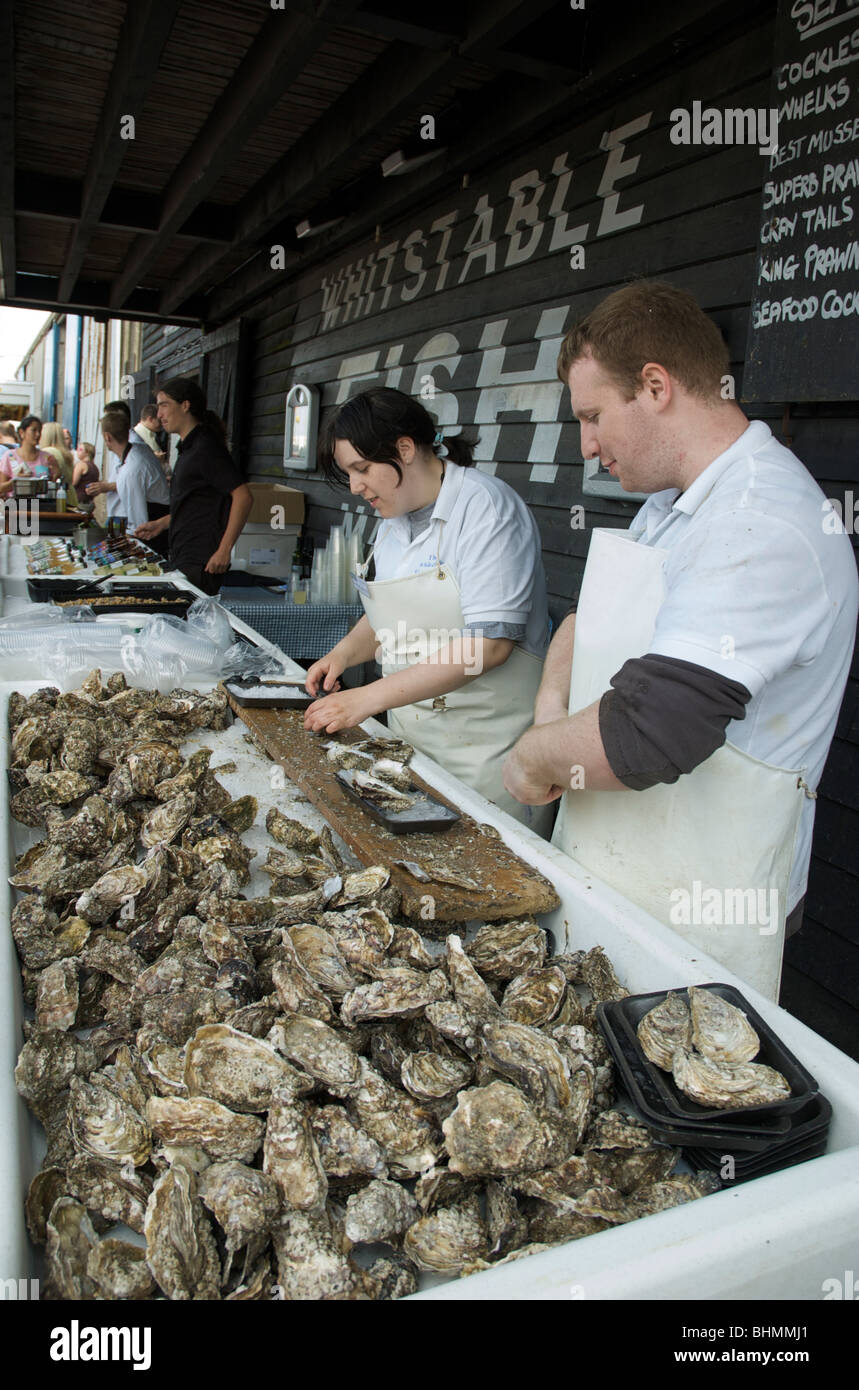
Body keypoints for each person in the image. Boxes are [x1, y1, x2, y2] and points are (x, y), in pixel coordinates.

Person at [502, 280, 858, 998]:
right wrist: (548, 714)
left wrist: (532, 756)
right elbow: (579, 626)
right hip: (610, 866)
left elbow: (648, 731)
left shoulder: (761, 519)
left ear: (655, 386)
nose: (588, 444)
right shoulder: (673, 506)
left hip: (699, 907)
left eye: (593, 415)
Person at [303, 387, 553, 834]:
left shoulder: (485, 509)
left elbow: (490, 646)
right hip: (409, 745)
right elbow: (394, 615)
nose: (356, 486)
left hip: (485, 755)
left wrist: (367, 697)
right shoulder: (393, 520)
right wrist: (341, 655)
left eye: (362, 468)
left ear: (405, 449)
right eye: (349, 473)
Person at [134, 377, 252, 595]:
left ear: (185, 405)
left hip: (202, 561)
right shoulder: (189, 447)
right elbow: (197, 505)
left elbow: (243, 496)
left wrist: (224, 550)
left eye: (164, 405)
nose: (159, 414)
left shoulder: (206, 447)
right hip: (185, 555)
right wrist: (162, 523)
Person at [86, 410, 170, 532]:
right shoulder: (140, 450)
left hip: (156, 528)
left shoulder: (131, 470)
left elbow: (138, 524)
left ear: (107, 437)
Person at [0, 415, 58, 496]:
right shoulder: (9, 456)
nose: (37, 434)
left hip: (42, 505)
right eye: (33, 430)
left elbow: (54, 484)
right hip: (16, 505)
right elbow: (1, 488)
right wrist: (17, 481)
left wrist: (56, 474)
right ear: (21, 432)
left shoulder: (47, 457)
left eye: (39, 431)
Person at [39, 422, 79, 507]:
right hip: (70, 496)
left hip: (57, 500)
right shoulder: (66, 454)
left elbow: (40, 474)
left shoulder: (48, 452)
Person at [135, 403, 169, 475]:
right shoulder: (137, 436)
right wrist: (153, 457)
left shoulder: (151, 434)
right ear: (150, 419)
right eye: (159, 421)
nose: (162, 424)